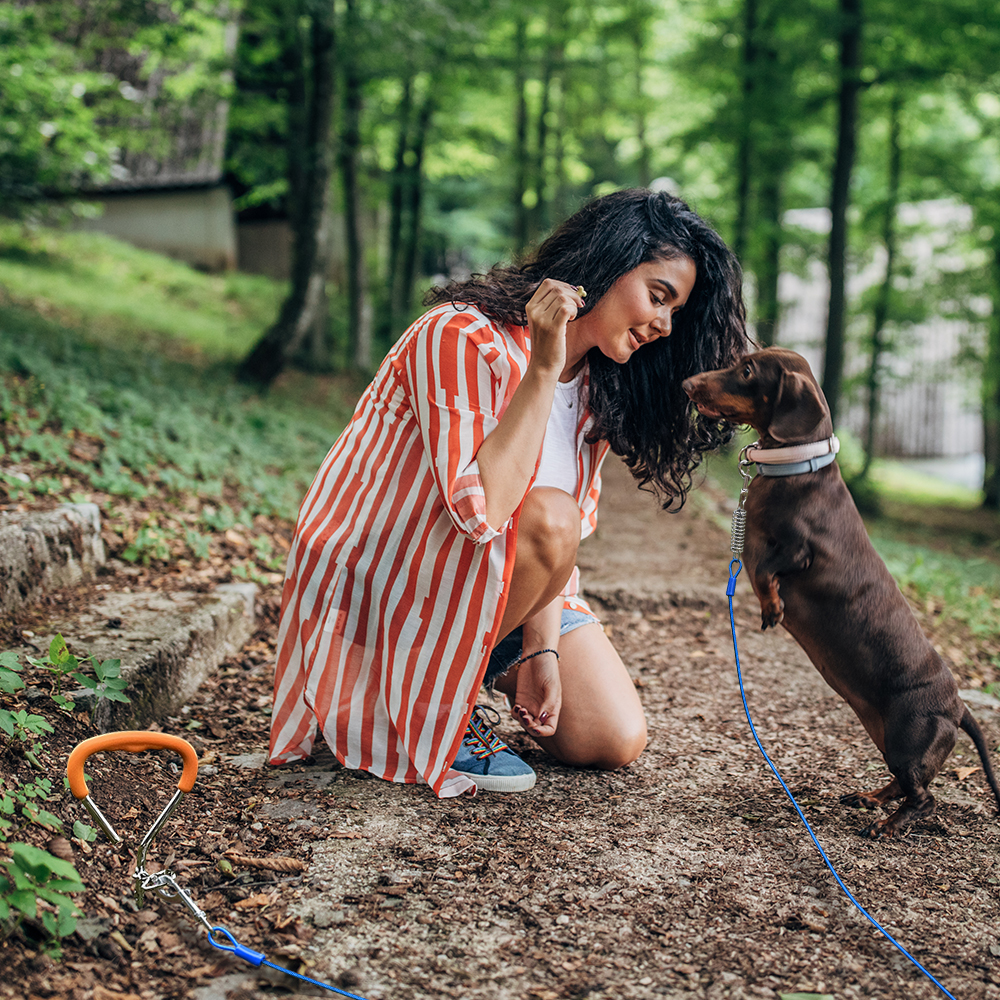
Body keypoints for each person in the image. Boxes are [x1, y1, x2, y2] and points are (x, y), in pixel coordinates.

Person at [268, 187, 747, 797]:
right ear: (605, 262)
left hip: (495, 582)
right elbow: (486, 510)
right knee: (548, 515)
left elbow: (558, 543)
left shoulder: (599, 388)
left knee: (611, 736)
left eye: (675, 311)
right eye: (658, 297)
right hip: (391, 576)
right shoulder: (460, 337)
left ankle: (471, 669)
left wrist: (540, 652)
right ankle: (441, 701)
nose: (664, 324)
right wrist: (542, 368)